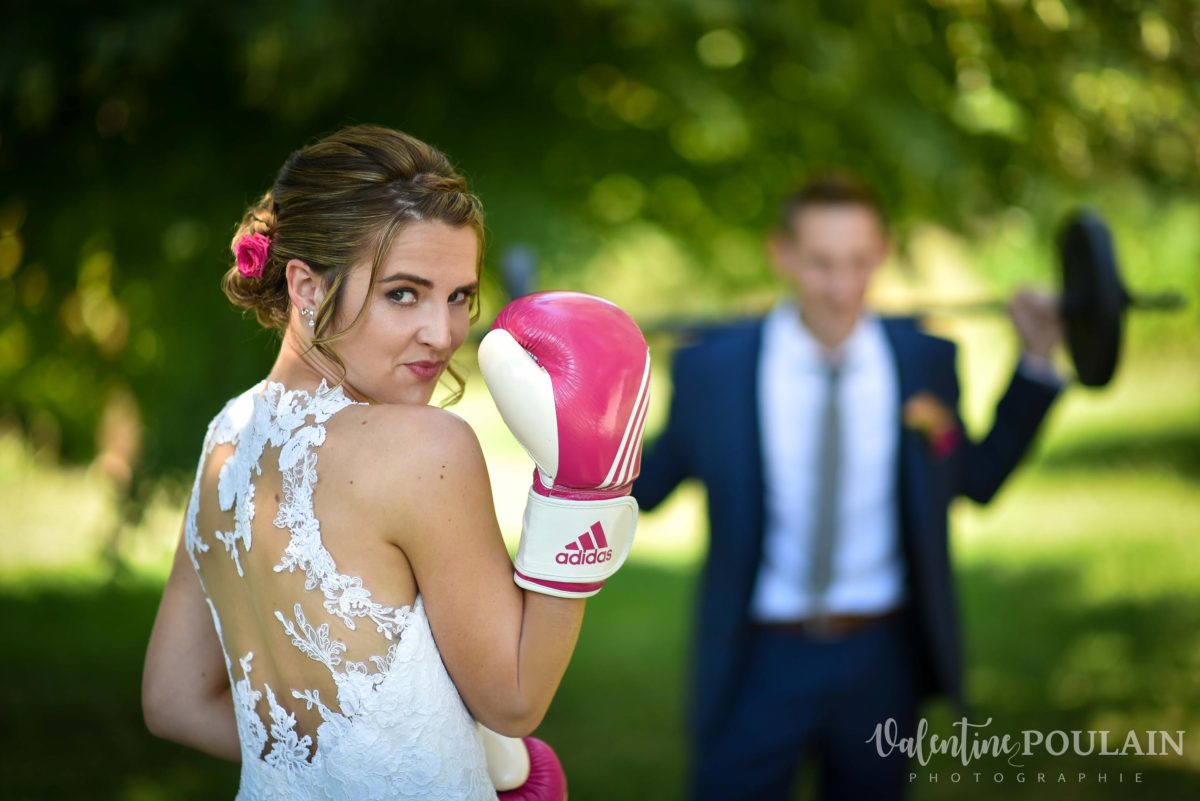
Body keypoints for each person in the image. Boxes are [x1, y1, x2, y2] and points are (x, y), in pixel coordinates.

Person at [142, 125, 650, 800]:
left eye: (460, 295)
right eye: (404, 293)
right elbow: (515, 700)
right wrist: (583, 497)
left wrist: (325, 766)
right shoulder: (425, 446)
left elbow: (172, 699)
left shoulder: (227, 436)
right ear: (306, 287)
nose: (443, 334)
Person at [632, 175, 1064, 800]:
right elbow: (648, 488)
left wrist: (1038, 362)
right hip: (759, 654)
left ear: (882, 252)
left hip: (881, 658)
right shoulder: (714, 369)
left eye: (859, 263)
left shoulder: (925, 361)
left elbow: (977, 478)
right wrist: (577, 409)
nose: (841, 288)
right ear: (781, 254)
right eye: (821, 264)